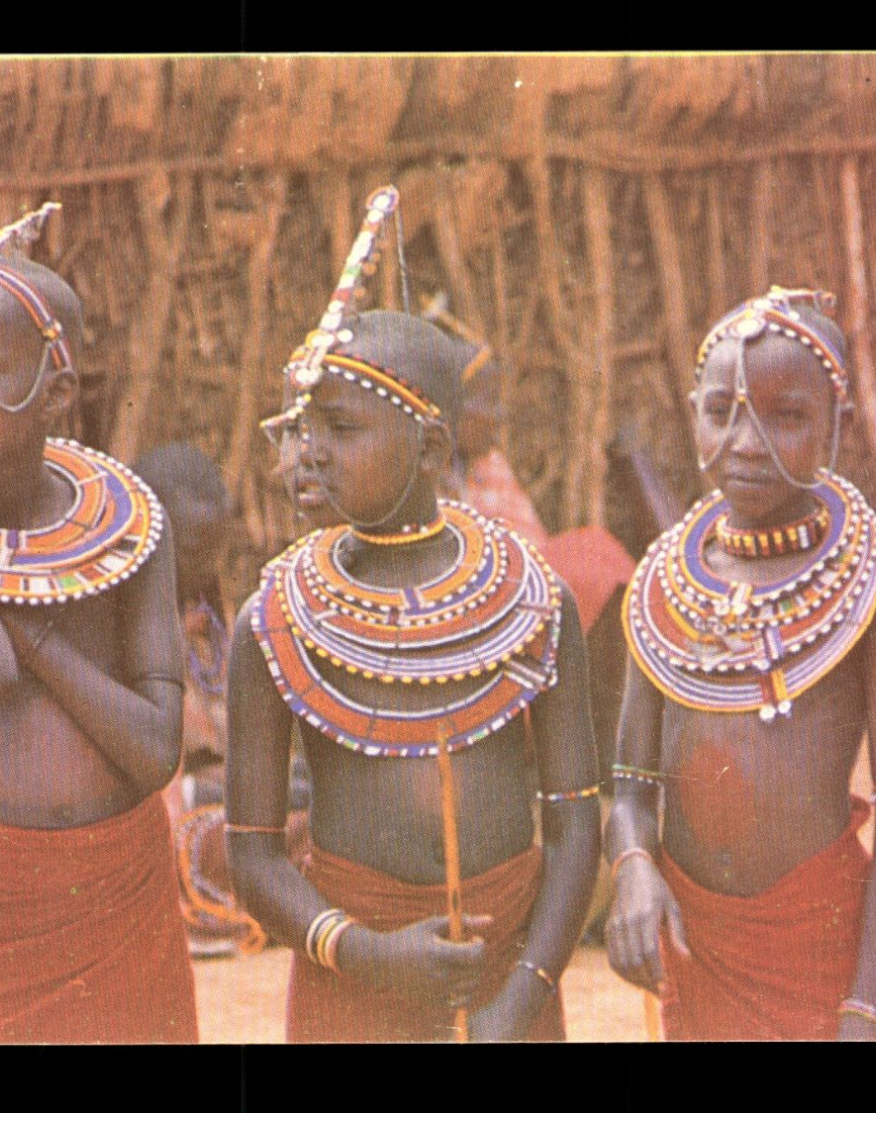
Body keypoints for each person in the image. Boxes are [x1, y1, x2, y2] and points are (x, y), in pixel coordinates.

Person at [227, 186, 600, 1042]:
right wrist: (368, 953)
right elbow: (252, 854)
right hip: (349, 979)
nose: (306, 452)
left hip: (515, 976)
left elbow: (577, 819)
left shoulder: (534, 602)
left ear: (434, 447)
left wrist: (523, 998)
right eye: (302, 425)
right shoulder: (274, 620)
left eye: (342, 426)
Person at [0, 205, 197, 1043]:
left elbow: (158, 751)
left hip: (123, 876)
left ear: (55, 393)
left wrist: (44, 639)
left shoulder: (132, 525)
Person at [604, 286, 876, 1041]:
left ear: (837, 427)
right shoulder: (662, 583)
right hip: (699, 949)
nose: (747, 441)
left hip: (824, 949)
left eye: (786, 416)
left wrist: (865, 1003)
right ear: (693, 415)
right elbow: (630, 788)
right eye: (722, 411)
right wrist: (634, 868)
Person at [132, 443, 311, 957]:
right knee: (300, 833)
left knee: (322, 798)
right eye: (191, 549)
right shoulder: (125, 630)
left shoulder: (212, 616)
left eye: (212, 547)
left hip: (227, 800)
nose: (205, 563)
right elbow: (155, 792)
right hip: (174, 827)